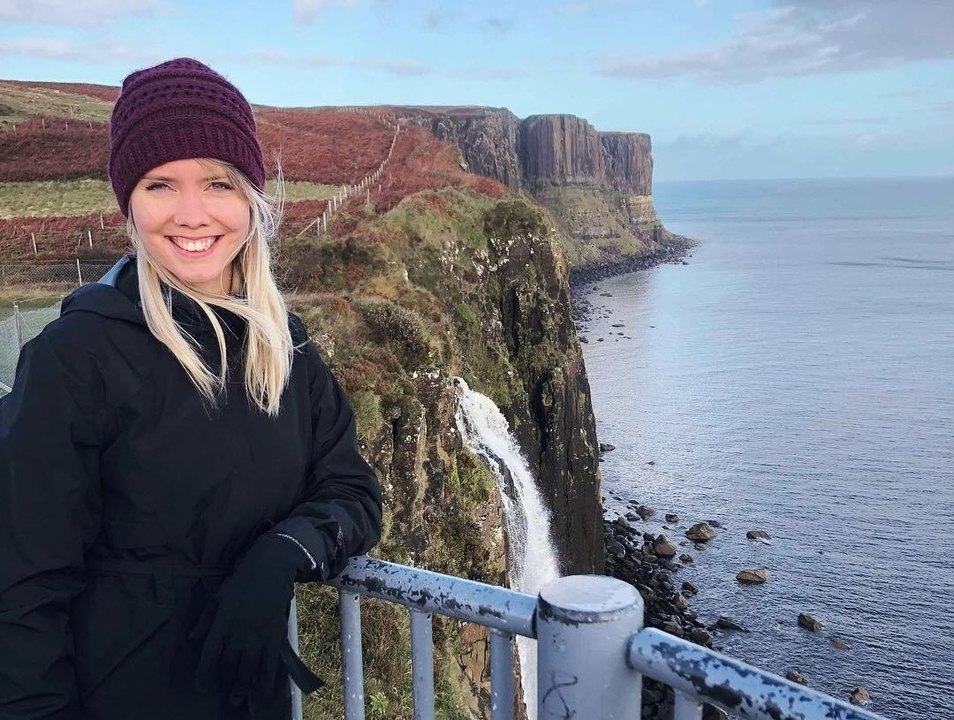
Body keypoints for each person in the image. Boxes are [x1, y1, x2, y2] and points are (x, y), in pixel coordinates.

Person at [0, 58, 383, 720]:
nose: (191, 214)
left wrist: (284, 552)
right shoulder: (74, 359)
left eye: (217, 182)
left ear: (250, 199)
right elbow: (22, 589)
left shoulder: (283, 348)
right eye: (159, 184)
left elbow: (352, 492)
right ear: (129, 202)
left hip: (250, 700)